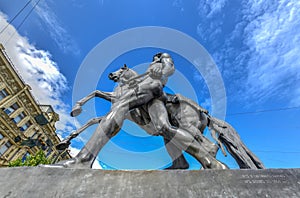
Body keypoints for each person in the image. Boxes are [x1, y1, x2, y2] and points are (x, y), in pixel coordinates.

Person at [58, 53, 227, 169]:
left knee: (120, 106)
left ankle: (83, 160)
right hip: (151, 97)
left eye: (156, 58)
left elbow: (170, 69)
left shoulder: (163, 58)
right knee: (164, 128)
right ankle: (209, 163)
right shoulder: (149, 67)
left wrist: (161, 69)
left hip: (151, 87)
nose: (154, 59)